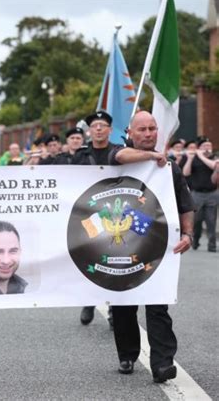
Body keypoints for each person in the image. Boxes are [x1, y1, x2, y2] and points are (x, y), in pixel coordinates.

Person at [109, 110, 194, 383]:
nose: (148, 134)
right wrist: (152, 157)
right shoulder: (118, 160)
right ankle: (128, 354)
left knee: (158, 306)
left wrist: (189, 235)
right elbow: (120, 156)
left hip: (158, 248)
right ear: (131, 133)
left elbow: (185, 204)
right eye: (142, 129)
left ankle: (162, 364)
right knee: (124, 306)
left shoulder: (170, 167)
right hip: (120, 247)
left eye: (152, 129)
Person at [72, 110, 120, 328]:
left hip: (113, 214)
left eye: (103, 125)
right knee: (90, 260)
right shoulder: (80, 155)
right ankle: (89, 300)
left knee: (112, 261)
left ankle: (113, 310)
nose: (99, 129)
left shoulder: (120, 153)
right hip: (87, 214)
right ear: (89, 131)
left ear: (110, 130)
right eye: (95, 126)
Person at [182, 137, 217, 253]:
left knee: (211, 220)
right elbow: (185, 173)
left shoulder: (214, 158)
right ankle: (195, 239)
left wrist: (201, 155)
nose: (207, 148)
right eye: (205, 146)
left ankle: (212, 245)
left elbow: (214, 166)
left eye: (209, 146)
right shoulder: (194, 159)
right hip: (196, 194)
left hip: (212, 194)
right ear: (200, 148)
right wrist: (190, 159)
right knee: (196, 220)